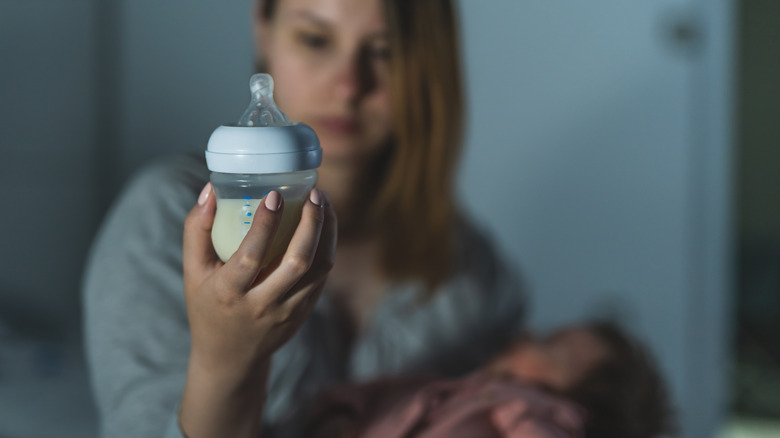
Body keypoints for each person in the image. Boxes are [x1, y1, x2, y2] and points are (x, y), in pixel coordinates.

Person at [82, 0, 525, 437]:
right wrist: (226, 362)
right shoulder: (171, 218)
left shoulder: (469, 275)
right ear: (263, 27)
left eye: (384, 50)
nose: (349, 85)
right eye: (315, 39)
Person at [298, 321, 674, 438]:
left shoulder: (535, 409)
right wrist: (342, 410)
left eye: (547, 344)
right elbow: (385, 391)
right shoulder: (453, 388)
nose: (527, 335)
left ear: (575, 403)